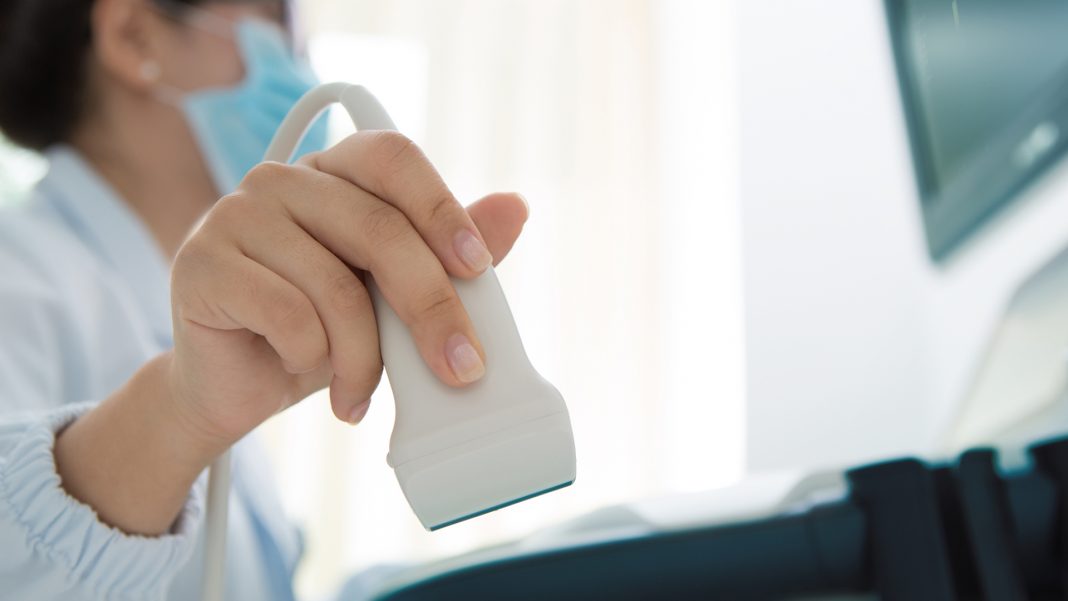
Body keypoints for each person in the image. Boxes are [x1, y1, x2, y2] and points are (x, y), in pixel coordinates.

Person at [0, 0, 528, 599]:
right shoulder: (17, 274)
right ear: (134, 36)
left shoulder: (219, 311)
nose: (300, 67)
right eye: (280, 24)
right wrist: (180, 412)